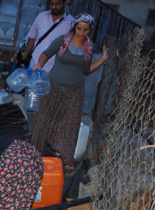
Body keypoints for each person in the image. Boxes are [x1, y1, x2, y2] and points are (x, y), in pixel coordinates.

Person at [31, 13, 108, 170]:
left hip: (74, 91)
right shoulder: (62, 40)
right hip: (53, 87)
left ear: (89, 30)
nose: (81, 32)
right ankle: (34, 152)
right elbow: (46, 53)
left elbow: (86, 70)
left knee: (70, 125)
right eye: (79, 28)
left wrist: (102, 59)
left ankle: (66, 159)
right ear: (74, 27)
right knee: (43, 119)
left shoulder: (89, 48)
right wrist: (40, 63)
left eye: (85, 30)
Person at [17, 0, 73, 72]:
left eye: (58, 3)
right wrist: (26, 53)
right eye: (52, 3)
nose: (54, 7)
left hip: (54, 69)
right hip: (34, 64)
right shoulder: (41, 17)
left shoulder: (71, 22)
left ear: (65, 4)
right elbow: (32, 37)